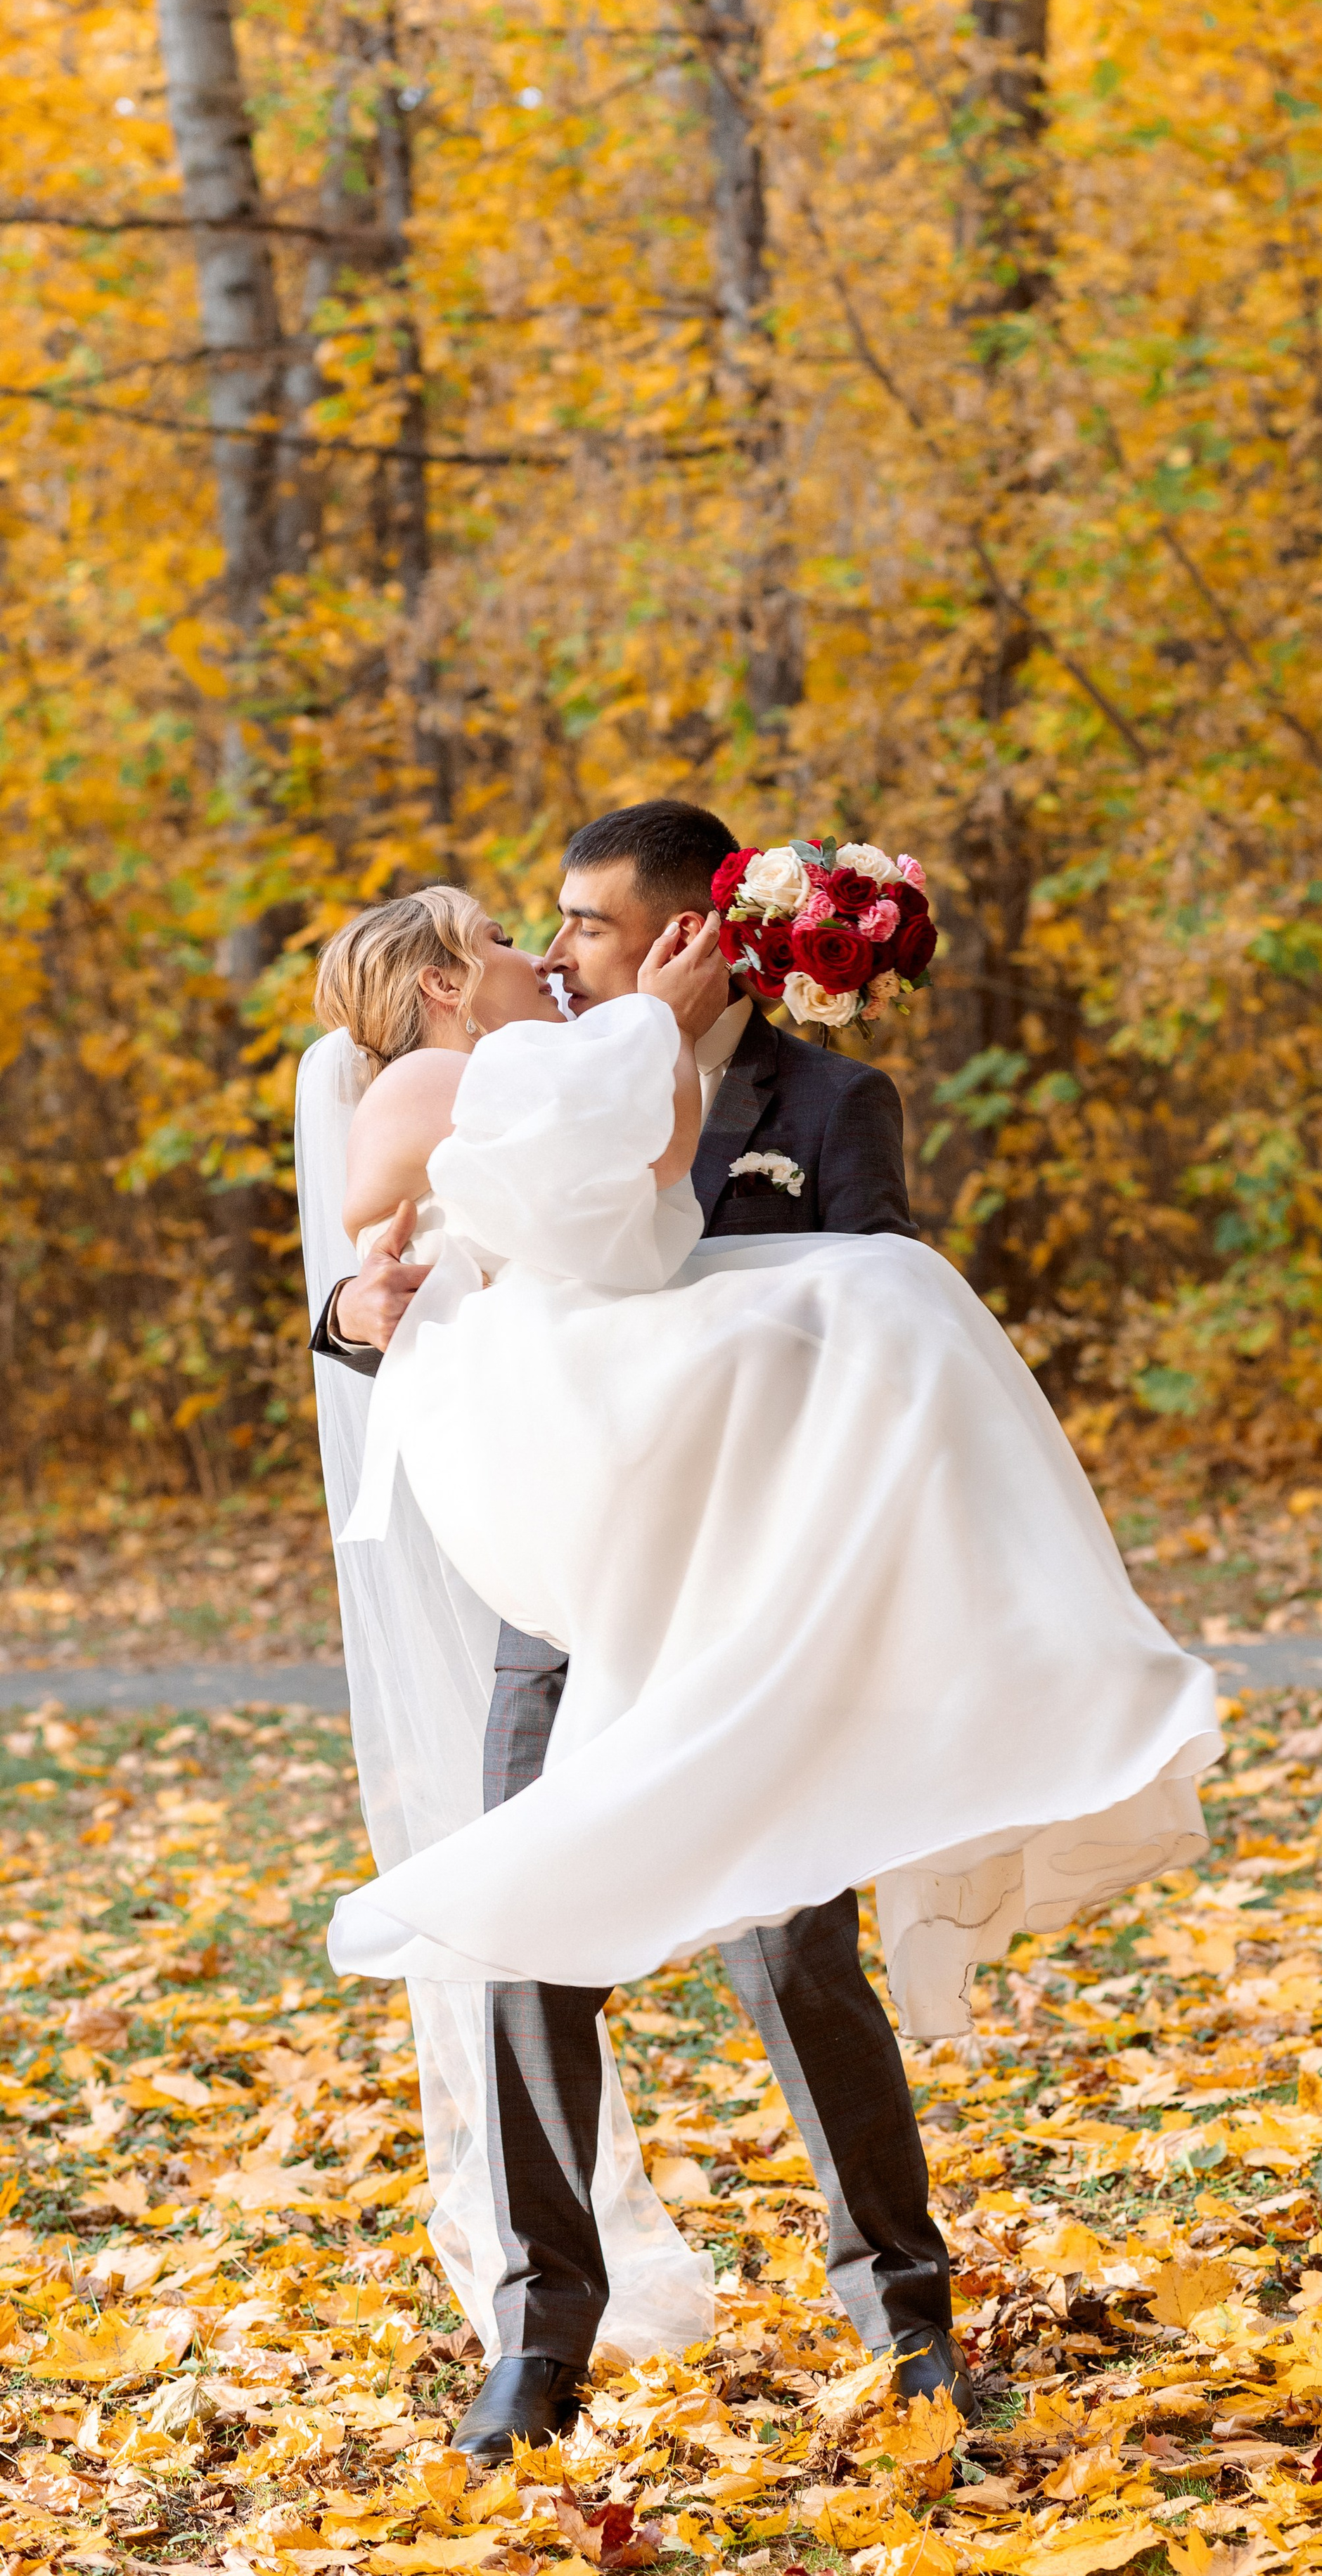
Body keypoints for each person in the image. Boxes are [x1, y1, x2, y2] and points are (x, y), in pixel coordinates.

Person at [299, 809, 1220, 2460]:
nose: (557, 954)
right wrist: (356, 1313)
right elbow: (418, 1253)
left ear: (691, 933)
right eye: (545, 928)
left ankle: (905, 2317)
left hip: (750, 1598)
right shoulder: (520, 1068)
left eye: (588, 927)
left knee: (796, 1950)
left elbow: (864, 1327)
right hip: (566, 1585)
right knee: (524, 1942)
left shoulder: (826, 1102)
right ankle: (538, 2339)